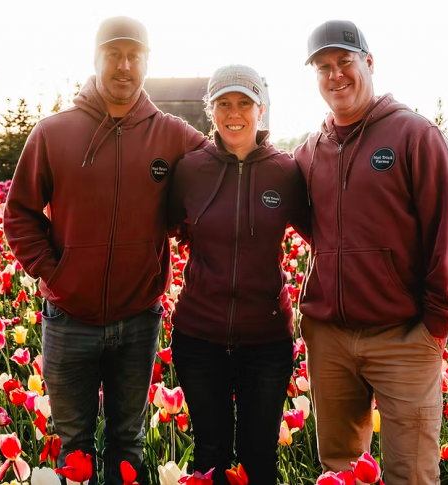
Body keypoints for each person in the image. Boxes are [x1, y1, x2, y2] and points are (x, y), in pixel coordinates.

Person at [3, 16, 209, 485]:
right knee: (71, 445)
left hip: (138, 317)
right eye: (113, 54)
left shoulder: (173, 134)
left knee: (127, 444)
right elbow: (19, 213)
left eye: (134, 55)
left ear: (147, 63)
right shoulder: (54, 132)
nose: (124, 65)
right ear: (95, 60)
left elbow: (218, 177)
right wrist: (55, 275)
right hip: (68, 318)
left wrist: (189, 230)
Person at [293, 20, 448, 485]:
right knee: (339, 470)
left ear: (368, 63)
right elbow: (315, 228)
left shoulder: (414, 135)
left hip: (404, 337)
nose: (336, 76)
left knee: (410, 473)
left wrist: (435, 325)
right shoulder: (310, 151)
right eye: (323, 67)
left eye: (344, 62)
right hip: (330, 339)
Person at [167, 65, 308, 485]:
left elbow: (326, 234)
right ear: (210, 111)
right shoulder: (191, 169)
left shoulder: (285, 171)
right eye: (224, 103)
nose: (234, 112)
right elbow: (168, 225)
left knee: (258, 455)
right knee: (209, 453)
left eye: (244, 102)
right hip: (198, 335)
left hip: (266, 339)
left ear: (260, 109)